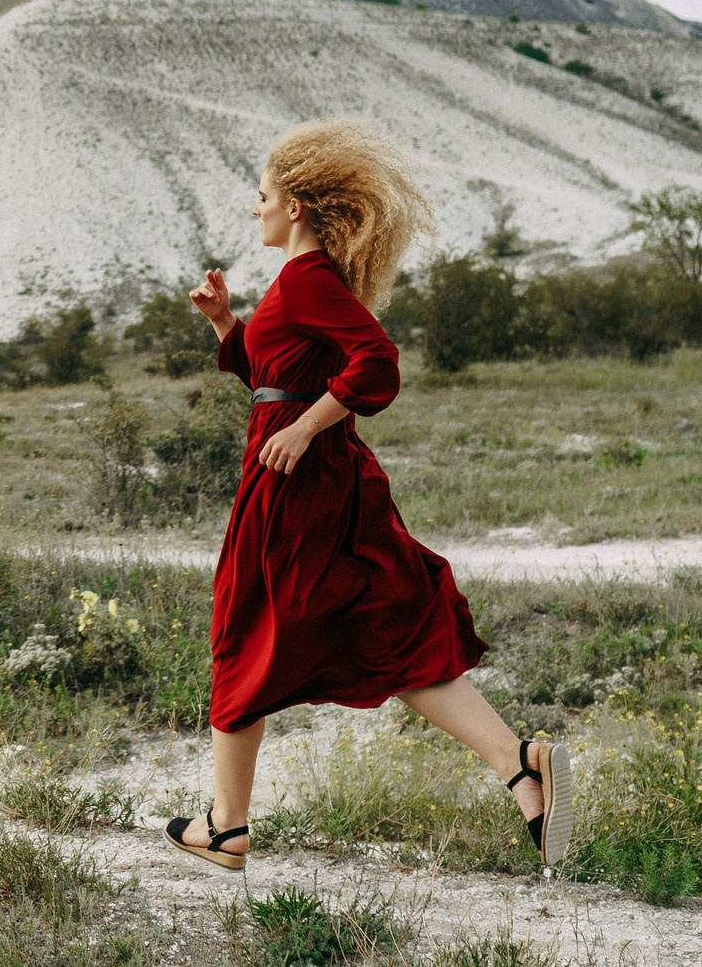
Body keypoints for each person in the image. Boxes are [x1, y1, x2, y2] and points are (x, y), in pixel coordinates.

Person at [161, 120, 572, 874]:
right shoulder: (295, 283)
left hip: (293, 481)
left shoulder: (310, 278)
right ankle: (522, 766)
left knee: (240, 625)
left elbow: (376, 361)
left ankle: (226, 825)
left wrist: (311, 425)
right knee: (389, 631)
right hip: (314, 475)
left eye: (262, 197)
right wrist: (227, 324)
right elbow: (275, 377)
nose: (254, 210)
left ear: (298, 207)